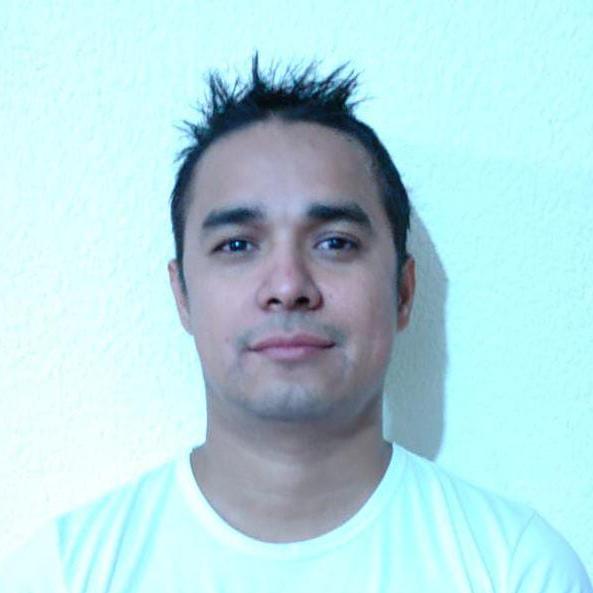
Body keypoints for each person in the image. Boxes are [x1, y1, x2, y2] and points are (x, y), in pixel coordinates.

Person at [1, 56, 590, 592]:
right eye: (237, 245)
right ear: (182, 295)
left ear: (404, 291)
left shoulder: (515, 569)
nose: (287, 286)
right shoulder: (63, 572)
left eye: (335, 242)